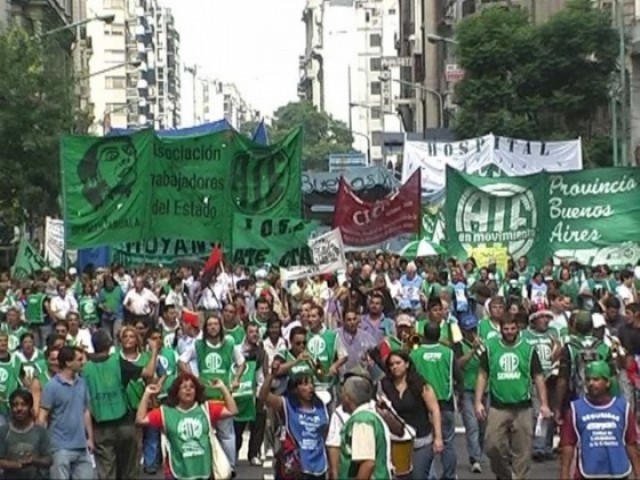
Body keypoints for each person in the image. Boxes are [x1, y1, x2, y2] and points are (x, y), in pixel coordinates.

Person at [474, 314, 551, 480]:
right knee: (491, 446)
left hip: (523, 407)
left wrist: (544, 404)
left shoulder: (528, 349)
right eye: (506, 329)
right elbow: (482, 375)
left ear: (518, 329)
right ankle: (504, 475)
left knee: (522, 453)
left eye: (512, 329)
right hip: (497, 406)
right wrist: (478, 402)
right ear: (500, 329)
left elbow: (538, 377)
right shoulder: (490, 348)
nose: (509, 332)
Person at [135, 374, 238, 480]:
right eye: (184, 387)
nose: (188, 389)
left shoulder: (206, 408)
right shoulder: (165, 412)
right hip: (176, 471)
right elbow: (140, 420)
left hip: (204, 470)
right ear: (177, 392)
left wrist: (223, 388)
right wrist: (147, 393)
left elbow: (232, 410)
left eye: (192, 387)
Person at [560, 361, 640, 479]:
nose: (591, 383)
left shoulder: (623, 408)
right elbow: (568, 444)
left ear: (607, 382)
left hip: (618, 472)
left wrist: (638, 473)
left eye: (596, 379)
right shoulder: (575, 409)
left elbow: (631, 443)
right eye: (588, 380)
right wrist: (564, 474)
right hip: (587, 473)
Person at [379, 351, 443, 479]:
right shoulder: (385, 384)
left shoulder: (420, 384)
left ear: (407, 364)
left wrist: (438, 438)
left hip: (421, 440)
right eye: (391, 364)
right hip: (397, 441)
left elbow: (435, 410)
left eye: (398, 363)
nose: (394, 367)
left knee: (418, 476)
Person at [259, 366, 329, 479]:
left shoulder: (321, 407)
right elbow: (263, 396)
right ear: (295, 389)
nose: (310, 387)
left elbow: (325, 434)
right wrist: (271, 375)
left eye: (311, 383)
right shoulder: (286, 404)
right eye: (305, 384)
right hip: (295, 466)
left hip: (318, 466)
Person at [38, 346, 95, 480]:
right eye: (79, 359)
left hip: (81, 446)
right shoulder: (51, 386)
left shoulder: (82, 383)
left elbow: (85, 411)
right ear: (69, 363)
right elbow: (42, 417)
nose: (83, 362)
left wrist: (90, 438)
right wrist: (43, 445)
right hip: (59, 447)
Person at [338, 375, 393, 479]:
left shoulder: (362, 420)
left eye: (342, 392)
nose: (341, 396)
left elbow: (367, 464)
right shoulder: (368, 416)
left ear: (348, 397)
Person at [0, 389, 51, 479]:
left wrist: (34, 461)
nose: (19, 408)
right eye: (15, 405)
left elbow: (49, 460)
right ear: (11, 408)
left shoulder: (40, 432)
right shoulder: (3, 432)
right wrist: (17, 465)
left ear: (30, 408)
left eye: (23, 404)